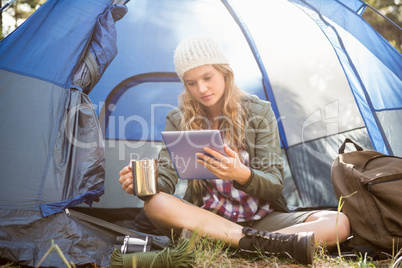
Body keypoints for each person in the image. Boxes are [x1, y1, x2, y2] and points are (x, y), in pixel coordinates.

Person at [119, 35, 350, 265]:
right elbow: (165, 182)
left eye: (207, 77)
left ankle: (245, 243)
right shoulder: (178, 119)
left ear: (224, 73)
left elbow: (275, 184)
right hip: (208, 221)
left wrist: (241, 174)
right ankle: (264, 245)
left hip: (261, 221)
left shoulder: (259, 113)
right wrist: (143, 183)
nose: (201, 88)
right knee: (155, 204)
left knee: (338, 222)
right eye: (191, 83)